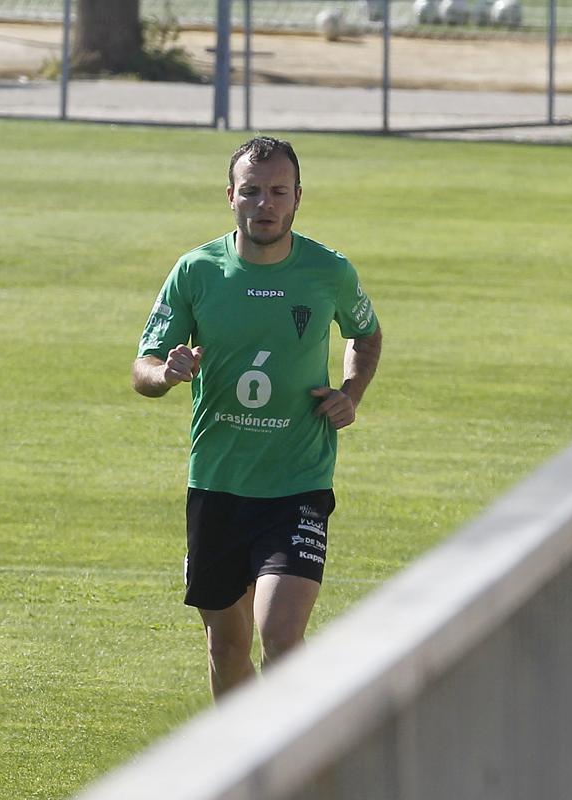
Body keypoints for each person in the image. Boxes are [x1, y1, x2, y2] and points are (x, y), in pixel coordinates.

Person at [132, 136, 383, 700]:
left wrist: (352, 392)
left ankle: (294, 768)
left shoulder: (329, 271)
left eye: (277, 192)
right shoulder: (196, 270)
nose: (264, 204)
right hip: (218, 485)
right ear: (230, 196)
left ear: (298, 198)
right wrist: (167, 373)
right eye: (251, 191)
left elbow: (364, 334)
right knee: (226, 647)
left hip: (298, 484)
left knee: (282, 637)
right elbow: (142, 367)